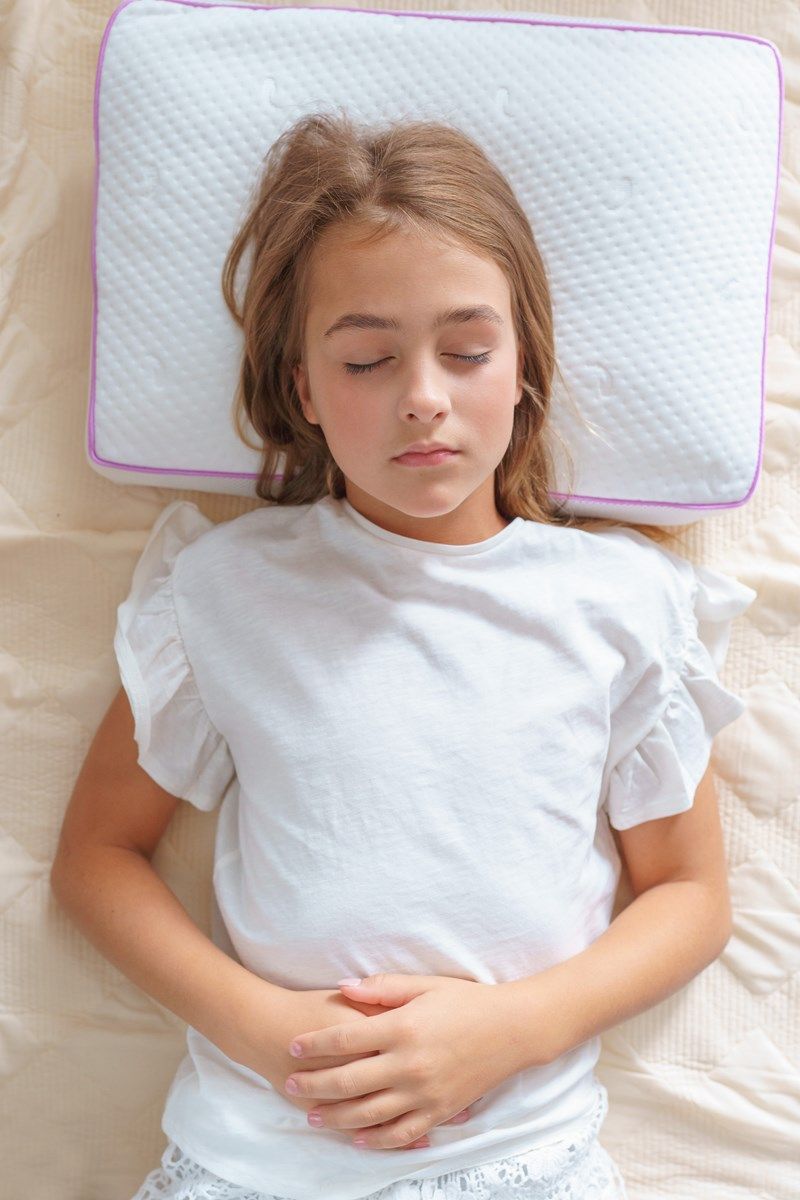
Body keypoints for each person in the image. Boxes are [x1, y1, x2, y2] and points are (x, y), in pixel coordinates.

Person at [51, 111, 756, 1200]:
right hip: (253, 1156)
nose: (423, 396)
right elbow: (98, 858)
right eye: (367, 359)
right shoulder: (226, 590)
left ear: (522, 368)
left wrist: (515, 1028)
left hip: (521, 1158)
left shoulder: (618, 602)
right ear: (303, 390)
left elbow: (690, 895)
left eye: (466, 351)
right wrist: (265, 1028)